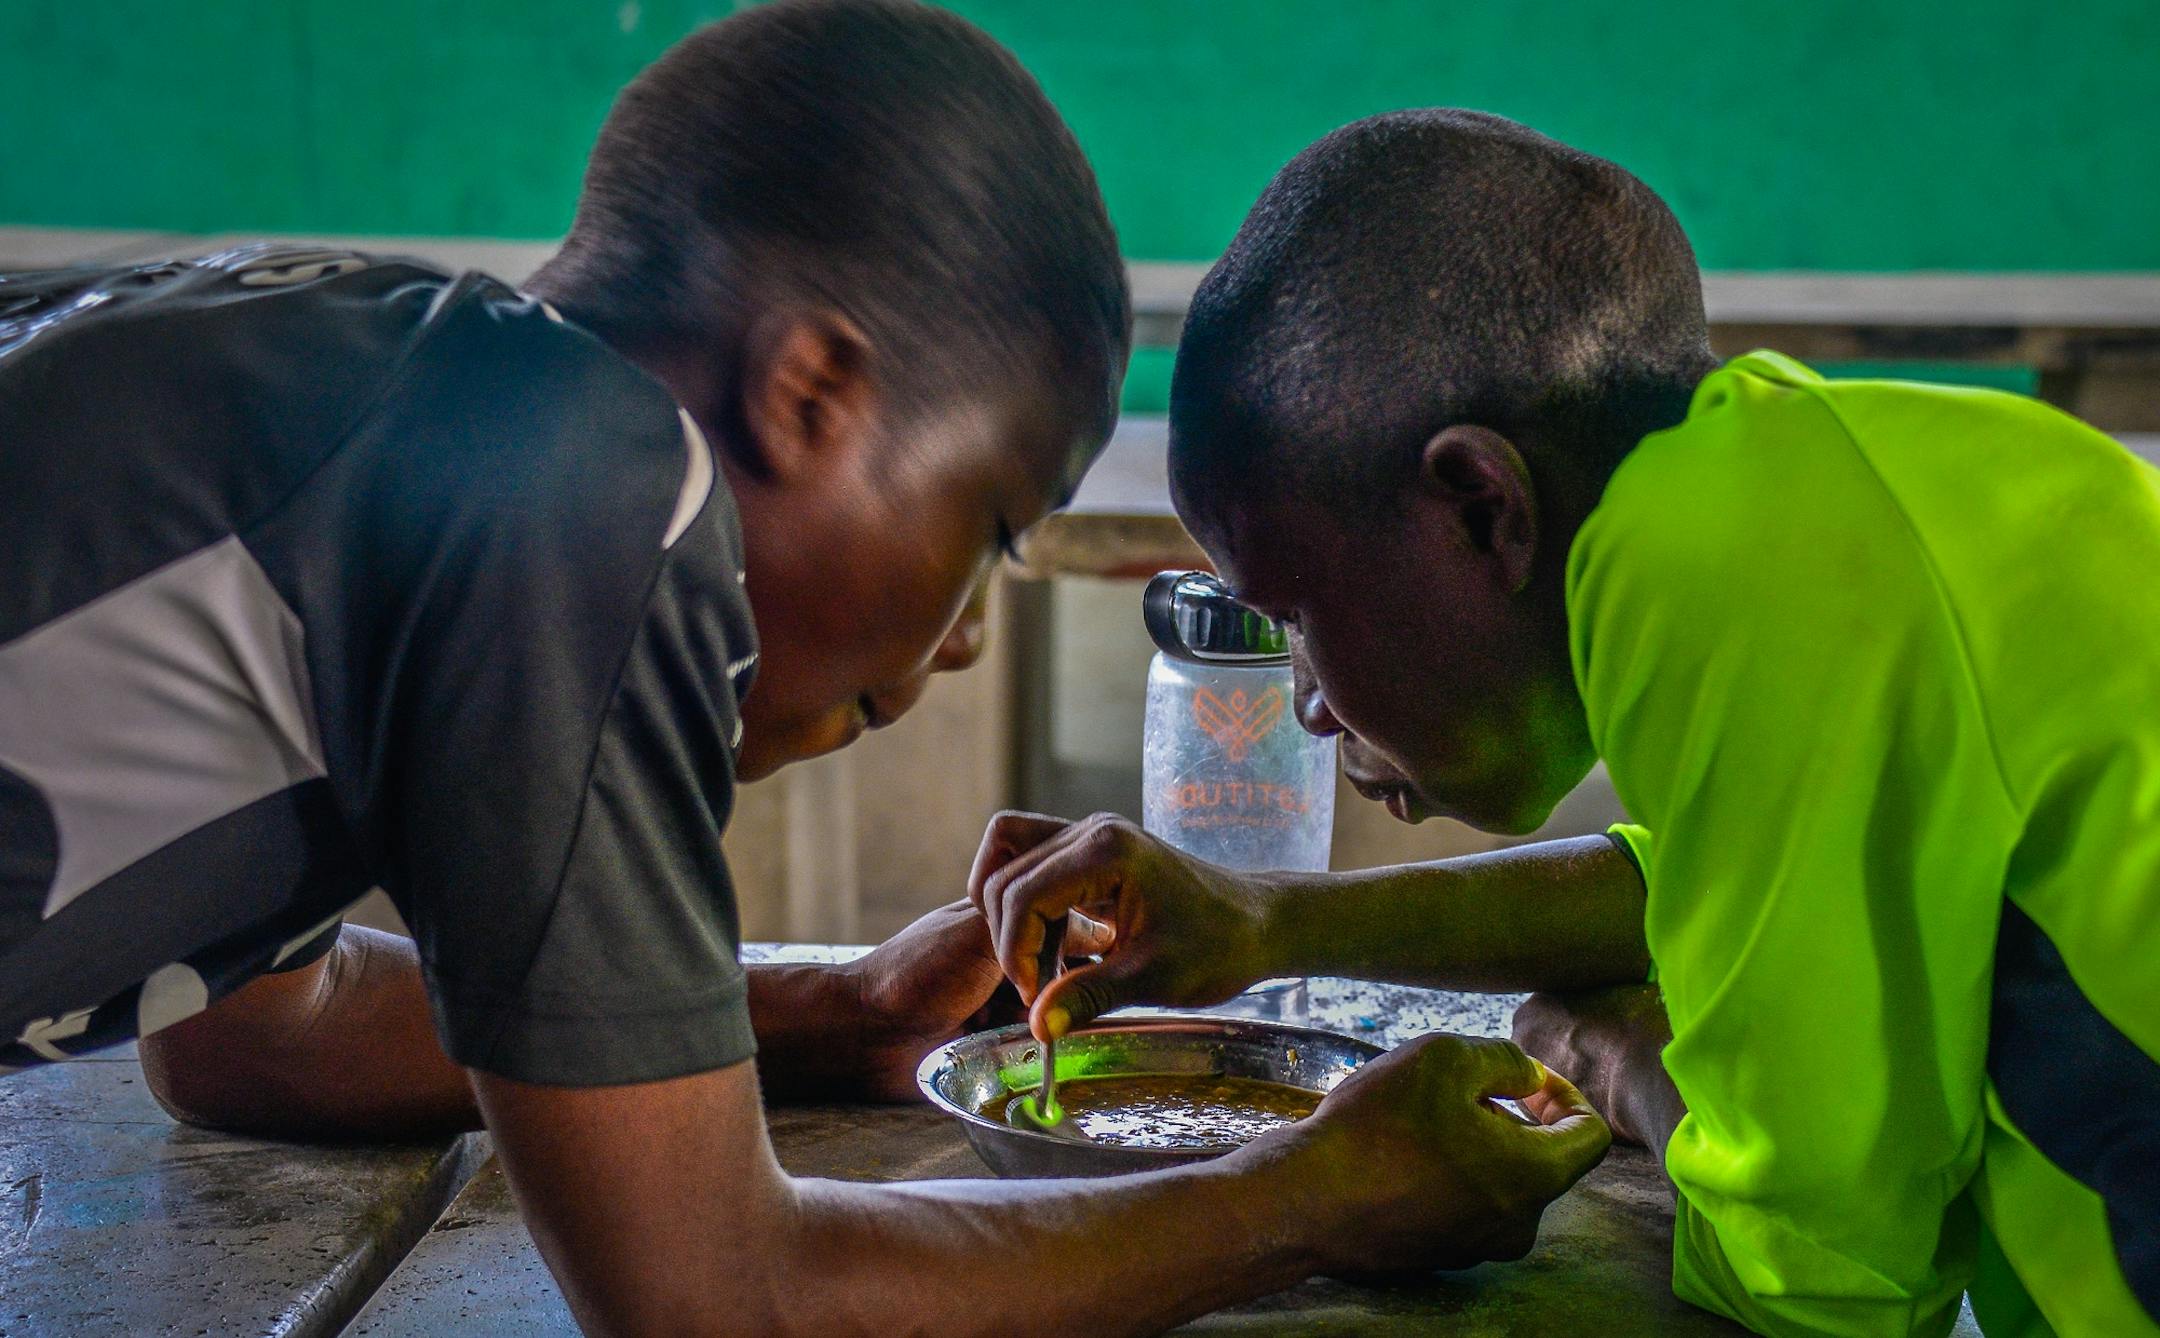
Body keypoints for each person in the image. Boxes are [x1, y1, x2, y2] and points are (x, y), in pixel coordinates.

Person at [0, 10, 1611, 1334]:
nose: (971, 627)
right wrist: (1309, 1195)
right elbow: (721, 1301)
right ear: (814, 391)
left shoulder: (379, 393)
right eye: (989, 526)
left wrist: (837, 1012)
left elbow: (248, 1038)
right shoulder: (578, 487)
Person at [972, 109, 2159, 1337]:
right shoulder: (1816, 482)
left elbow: (1825, 1282)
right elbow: (1721, 881)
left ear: (1483, 508)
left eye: (1304, 618)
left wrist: (1622, 1071)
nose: (1313, 705)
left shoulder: (1747, 590)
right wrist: (1259, 919)